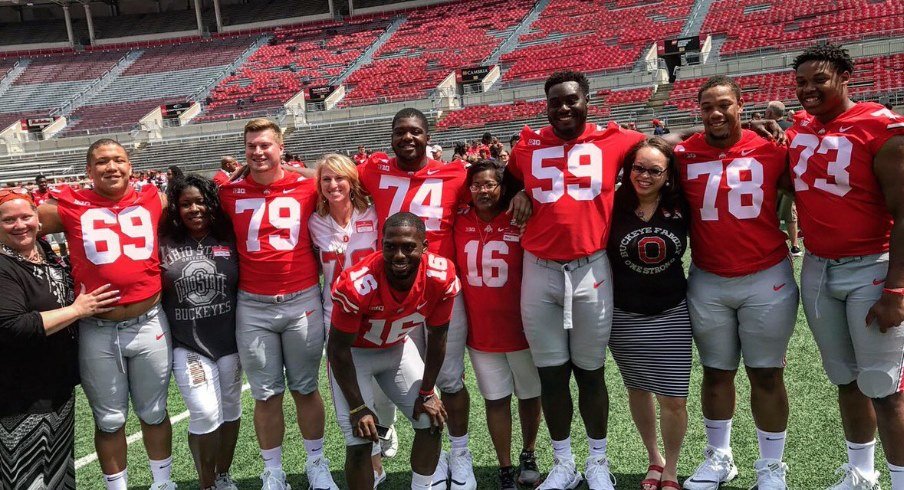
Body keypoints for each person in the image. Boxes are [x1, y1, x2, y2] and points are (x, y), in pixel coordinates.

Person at [506, 70, 646, 490]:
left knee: (590, 371)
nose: (563, 108)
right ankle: (563, 463)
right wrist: (518, 191)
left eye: (571, 100)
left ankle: (598, 461)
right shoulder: (528, 144)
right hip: (539, 268)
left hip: (591, 267)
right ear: (545, 106)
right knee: (551, 373)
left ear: (587, 100)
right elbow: (509, 173)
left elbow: (661, 151)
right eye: (555, 102)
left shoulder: (616, 140)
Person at [787, 44, 904, 489]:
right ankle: (861, 471)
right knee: (845, 378)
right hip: (818, 267)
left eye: (819, 79)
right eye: (801, 82)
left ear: (845, 76)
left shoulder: (879, 127)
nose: (808, 90)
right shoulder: (801, 126)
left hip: (871, 265)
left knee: (885, 387)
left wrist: (896, 289)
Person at [676, 76, 798, 490]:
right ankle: (719, 457)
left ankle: (771, 466)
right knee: (716, 372)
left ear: (741, 106)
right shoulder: (684, 152)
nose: (715, 113)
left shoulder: (770, 148)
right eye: (707, 105)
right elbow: (648, 146)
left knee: (766, 375)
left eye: (724, 104)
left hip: (766, 275)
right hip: (709, 278)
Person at [37, 138, 176, 490]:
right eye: (102, 162)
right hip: (98, 327)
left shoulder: (152, 198)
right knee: (110, 419)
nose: (111, 167)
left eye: (118, 160)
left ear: (130, 167)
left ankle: (162, 484)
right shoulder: (68, 205)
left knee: (154, 412)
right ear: (89, 170)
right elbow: (17, 222)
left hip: (149, 322)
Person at [358, 108, 477, 489]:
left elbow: (494, 187)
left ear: (428, 136)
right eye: (400, 132)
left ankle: (461, 455)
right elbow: (329, 178)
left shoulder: (456, 172)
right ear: (390, 136)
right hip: (393, 292)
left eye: (415, 132)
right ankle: (434, 458)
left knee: (451, 377)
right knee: (409, 380)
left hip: (441, 289)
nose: (407, 138)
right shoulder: (373, 169)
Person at [218, 119, 338, 490]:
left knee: (305, 388)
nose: (258, 152)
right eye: (251, 146)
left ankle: (316, 462)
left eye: (266, 145)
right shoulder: (229, 193)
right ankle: (273, 470)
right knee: (266, 394)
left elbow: (330, 173)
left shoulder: (307, 186)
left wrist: (291, 169)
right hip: (252, 306)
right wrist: (240, 173)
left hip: (302, 298)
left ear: (280, 147)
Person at [327, 212, 459, 490]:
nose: (399, 255)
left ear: (425, 246)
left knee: (431, 419)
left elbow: (438, 336)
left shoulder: (440, 276)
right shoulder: (357, 284)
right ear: (381, 244)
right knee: (361, 437)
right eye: (390, 246)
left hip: (396, 348)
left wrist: (427, 392)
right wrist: (358, 406)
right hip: (354, 356)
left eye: (408, 246)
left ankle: (423, 487)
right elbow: (337, 349)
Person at [0, 190, 119, 489]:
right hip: (18, 393)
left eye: (26, 217)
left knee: (58, 471)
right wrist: (78, 310)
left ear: (39, 220)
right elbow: (13, 325)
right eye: (8, 220)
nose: (19, 225)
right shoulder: (3, 265)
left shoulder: (41, 249)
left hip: (55, 385)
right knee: (25, 477)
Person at [307, 153, 397, 485]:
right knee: (351, 395)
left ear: (352, 180)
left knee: (384, 395)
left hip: (375, 313)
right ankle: (374, 466)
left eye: (339, 178)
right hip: (336, 315)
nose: (333, 185)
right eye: (326, 179)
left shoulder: (373, 213)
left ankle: (386, 429)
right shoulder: (313, 221)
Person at [607, 139, 691, 490]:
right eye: (638, 168)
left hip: (671, 311)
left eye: (654, 170)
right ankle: (653, 459)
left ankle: (671, 467)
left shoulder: (682, 204)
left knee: (673, 398)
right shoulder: (611, 202)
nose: (644, 176)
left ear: (668, 174)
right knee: (638, 389)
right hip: (624, 314)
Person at [453, 160, 542, 489]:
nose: (483, 190)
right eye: (476, 185)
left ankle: (529, 453)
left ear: (502, 187)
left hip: (522, 329)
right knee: (496, 399)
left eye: (490, 184)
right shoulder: (459, 219)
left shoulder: (519, 216)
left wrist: (523, 192)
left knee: (530, 395)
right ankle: (505, 466)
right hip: (481, 333)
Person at [159, 175, 242, 490]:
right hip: (188, 344)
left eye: (201, 201)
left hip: (230, 342)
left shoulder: (228, 237)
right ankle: (206, 483)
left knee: (231, 411)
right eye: (185, 204)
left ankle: (223, 474)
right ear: (175, 209)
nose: (194, 209)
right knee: (206, 413)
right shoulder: (163, 240)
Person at [32, 174, 69, 256]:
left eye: (45, 182)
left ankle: (64, 258)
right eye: (41, 182)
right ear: (37, 183)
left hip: (55, 222)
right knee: (46, 244)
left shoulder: (53, 193)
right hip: (43, 224)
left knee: (61, 243)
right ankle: (50, 260)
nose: (43, 184)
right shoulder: (33, 195)